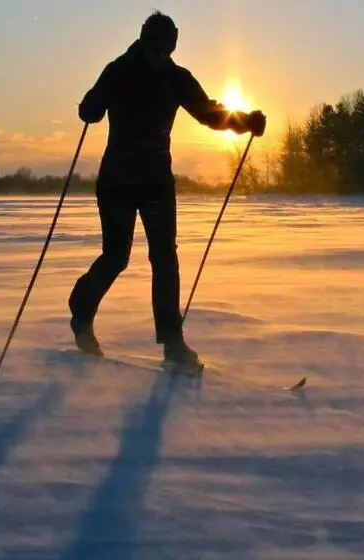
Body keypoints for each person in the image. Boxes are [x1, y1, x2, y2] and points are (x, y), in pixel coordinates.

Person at [68, 11, 266, 372]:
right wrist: (90, 107)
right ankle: (81, 311)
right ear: (143, 41)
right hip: (117, 180)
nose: (159, 55)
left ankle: (173, 344)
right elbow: (90, 109)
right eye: (154, 48)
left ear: (172, 47)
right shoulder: (119, 70)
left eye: (165, 49)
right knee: (116, 256)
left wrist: (245, 121)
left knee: (164, 258)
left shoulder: (176, 78)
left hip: (157, 181)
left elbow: (209, 112)